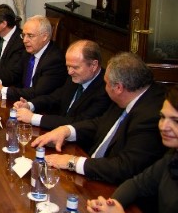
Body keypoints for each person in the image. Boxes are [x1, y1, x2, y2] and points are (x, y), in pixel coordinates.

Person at [31, 52, 166, 184]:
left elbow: (125, 167)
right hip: (92, 168)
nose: (104, 87)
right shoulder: (130, 94)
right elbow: (101, 123)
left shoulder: (151, 116)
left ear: (118, 88)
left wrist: (72, 162)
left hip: (113, 188)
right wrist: (67, 130)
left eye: (106, 83)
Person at [86, 86, 178, 213]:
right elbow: (137, 184)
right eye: (162, 117)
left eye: (175, 121)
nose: (164, 126)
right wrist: (107, 206)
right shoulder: (173, 156)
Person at [13, 40, 111, 130]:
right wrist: (30, 105)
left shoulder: (106, 90)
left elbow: (78, 122)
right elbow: (55, 97)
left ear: (93, 65)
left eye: (75, 67)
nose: (69, 72)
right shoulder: (77, 76)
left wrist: (33, 118)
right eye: (68, 66)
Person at [0, 15, 66, 101]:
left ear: (45, 37)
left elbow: (37, 92)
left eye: (30, 36)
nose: (24, 40)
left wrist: (2, 89)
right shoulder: (28, 51)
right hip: (22, 101)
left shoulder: (55, 60)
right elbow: (14, 73)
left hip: (41, 108)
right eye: (23, 35)